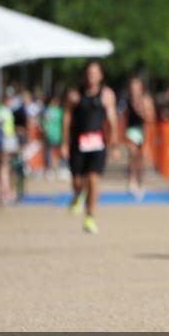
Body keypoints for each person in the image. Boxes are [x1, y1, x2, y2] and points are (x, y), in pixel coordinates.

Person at [61, 61, 119, 234]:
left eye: (94, 73)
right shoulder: (74, 95)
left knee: (94, 179)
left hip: (97, 144)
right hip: (77, 144)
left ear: (101, 75)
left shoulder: (107, 95)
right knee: (78, 182)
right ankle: (78, 195)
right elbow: (66, 119)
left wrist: (114, 144)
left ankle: (89, 216)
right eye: (88, 73)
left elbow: (112, 121)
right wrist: (64, 143)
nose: (91, 76)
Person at [123, 76, 155, 199]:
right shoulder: (127, 99)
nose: (134, 89)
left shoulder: (146, 100)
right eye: (132, 87)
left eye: (137, 87)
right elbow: (125, 116)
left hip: (144, 130)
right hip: (132, 130)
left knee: (141, 158)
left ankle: (140, 181)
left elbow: (150, 117)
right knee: (133, 154)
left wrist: (140, 110)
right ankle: (132, 180)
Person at [41, 94, 64, 178]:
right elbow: (45, 123)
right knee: (51, 153)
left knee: (53, 153)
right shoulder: (51, 111)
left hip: (56, 134)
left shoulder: (57, 111)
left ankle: (55, 169)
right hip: (52, 134)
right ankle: (50, 170)